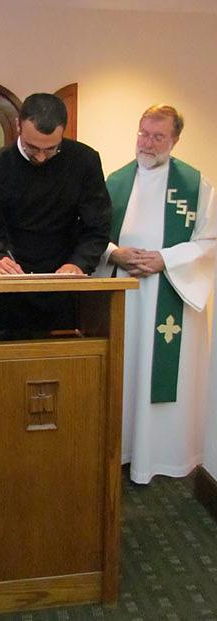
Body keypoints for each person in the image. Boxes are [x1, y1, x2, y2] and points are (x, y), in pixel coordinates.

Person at [94, 104, 216, 484]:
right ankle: (125, 449)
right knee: (126, 368)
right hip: (126, 295)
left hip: (170, 295)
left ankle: (166, 455)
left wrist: (165, 259)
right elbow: (89, 234)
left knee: (163, 377)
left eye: (157, 136)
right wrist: (115, 253)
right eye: (143, 133)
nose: (147, 143)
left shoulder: (196, 187)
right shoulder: (114, 183)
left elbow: (210, 241)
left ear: (175, 140)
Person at [0, 93, 111, 333]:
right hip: (10, 286)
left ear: (63, 132)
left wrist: (78, 264)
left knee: (70, 366)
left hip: (66, 284)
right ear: (18, 125)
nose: (40, 157)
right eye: (32, 147)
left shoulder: (85, 161)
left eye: (50, 150)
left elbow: (97, 227)